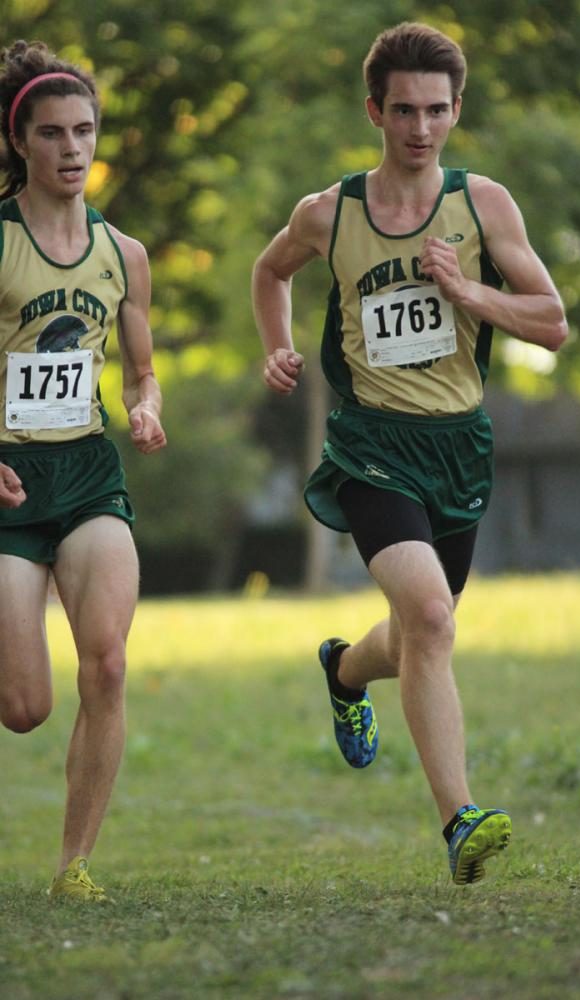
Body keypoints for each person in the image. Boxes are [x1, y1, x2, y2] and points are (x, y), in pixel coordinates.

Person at [252, 22, 568, 885]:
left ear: (455, 110)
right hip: (369, 446)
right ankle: (458, 818)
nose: (419, 128)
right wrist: (275, 345)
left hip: (458, 445)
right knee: (429, 619)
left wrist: (466, 289)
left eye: (435, 110)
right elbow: (269, 271)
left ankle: (344, 673)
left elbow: (553, 320)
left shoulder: (484, 206)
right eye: (403, 111)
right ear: (374, 111)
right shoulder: (331, 213)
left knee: (419, 630)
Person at [0, 41, 167, 901]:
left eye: (85, 132)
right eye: (53, 133)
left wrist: (146, 406)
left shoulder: (122, 254)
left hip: (88, 476)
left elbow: (140, 367)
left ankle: (74, 867)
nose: (72, 149)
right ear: (19, 140)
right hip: (6, 487)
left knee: (105, 663)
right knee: (24, 708)